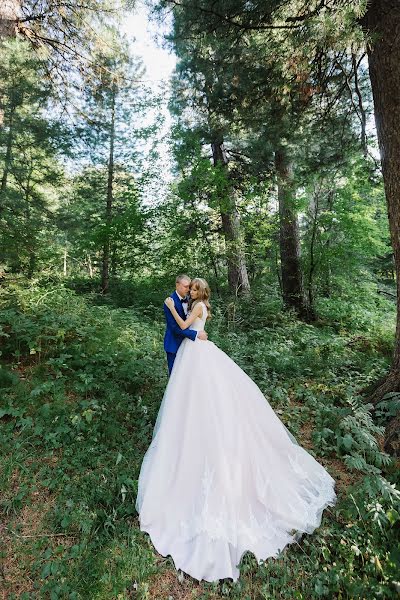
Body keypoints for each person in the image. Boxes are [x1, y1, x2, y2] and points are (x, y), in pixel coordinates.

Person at [135, 277, 336, 583]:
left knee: (202, 398)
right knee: (191, 398)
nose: (189, 291)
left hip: (197, 354)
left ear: (198, 292)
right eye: (186, 288)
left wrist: (171, 309)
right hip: (196, 352)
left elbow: (184, 324)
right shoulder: (200, 304)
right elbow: (190, 328)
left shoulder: (197, 306)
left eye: (192, 288)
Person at [163, 274, 207, 375]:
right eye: (186, 287)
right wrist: (195, 334)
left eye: (190, 287)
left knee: (190, 375)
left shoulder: (191, 299)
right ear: (177, 285)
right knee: (175, 376)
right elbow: (175, 328)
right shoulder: (169, 302)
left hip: (190, 345)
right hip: (174, 344)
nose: (189, 290)